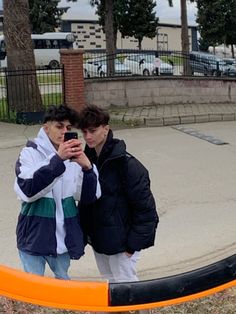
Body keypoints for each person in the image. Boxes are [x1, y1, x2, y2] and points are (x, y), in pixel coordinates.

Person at [14, 104, 101, 279]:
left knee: (63, 283)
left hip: (64, 234)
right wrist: (58, 159)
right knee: (34, 287)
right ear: (46, 128)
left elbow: (88, 197)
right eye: (59, 126)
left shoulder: (74, 155)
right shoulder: (29, 153)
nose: (64, 132)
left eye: (68, 128)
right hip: (35, 233)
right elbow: (28, 191)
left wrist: (87, 169)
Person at [77, 105, 159, 283]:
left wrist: (132, 245)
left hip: (122, 244)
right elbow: (84, 201)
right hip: (99, 240)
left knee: (128, 288)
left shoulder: (127, 165)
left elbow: (146, 210)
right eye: (84, 132)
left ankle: (141, 310)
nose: (88, 136)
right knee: (111, 287)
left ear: (106, 129)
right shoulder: (87, 160)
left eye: (93, 130)